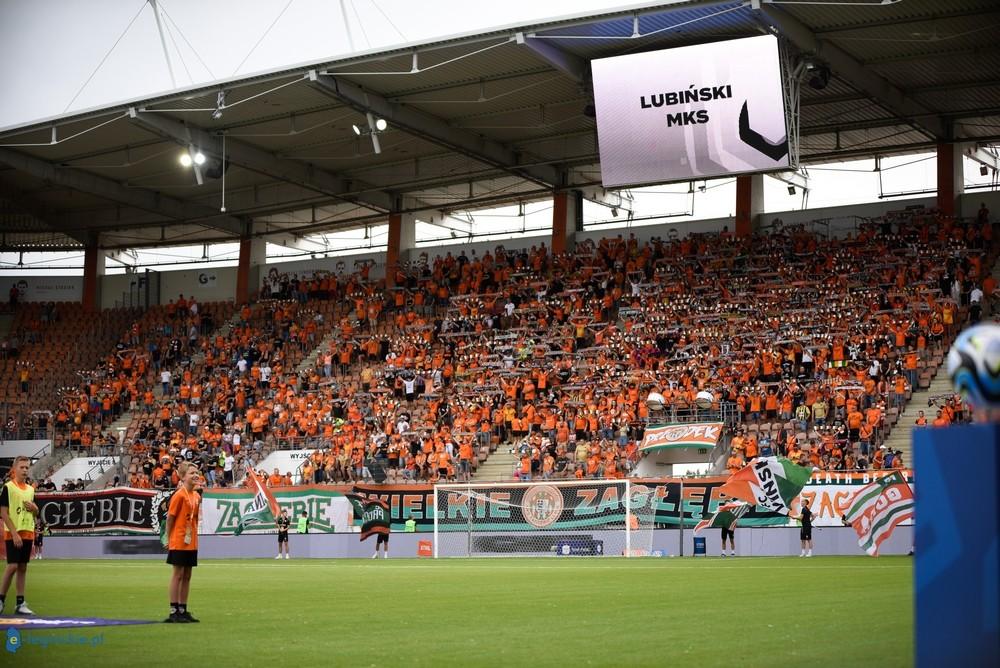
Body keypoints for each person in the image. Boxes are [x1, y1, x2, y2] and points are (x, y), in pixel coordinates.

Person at [164, 461, 201, 623]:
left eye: (197, 472)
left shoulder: (197, 496)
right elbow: (170, 518)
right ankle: (173, 611)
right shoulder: (179, 495)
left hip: (191, 541)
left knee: (187, 575)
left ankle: (183, 609)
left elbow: (195, 520)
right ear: (183, 476)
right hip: (178, 540)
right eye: (192, 473)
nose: (196, 475)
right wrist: (167, 537)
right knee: (177, 574)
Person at [0, 456, 38, 615]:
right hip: (13, 532)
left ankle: (20, 603)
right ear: (14, 469)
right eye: (22, 467)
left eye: (27, 467)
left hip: (28, 531)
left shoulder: (31, 489)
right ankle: (1, 599)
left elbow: (36, 512)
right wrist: (14, 533)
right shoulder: (8, 487)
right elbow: (3, 513)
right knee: (12, 565)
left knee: (22, 567)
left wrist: (34, 508)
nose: (24, 470)